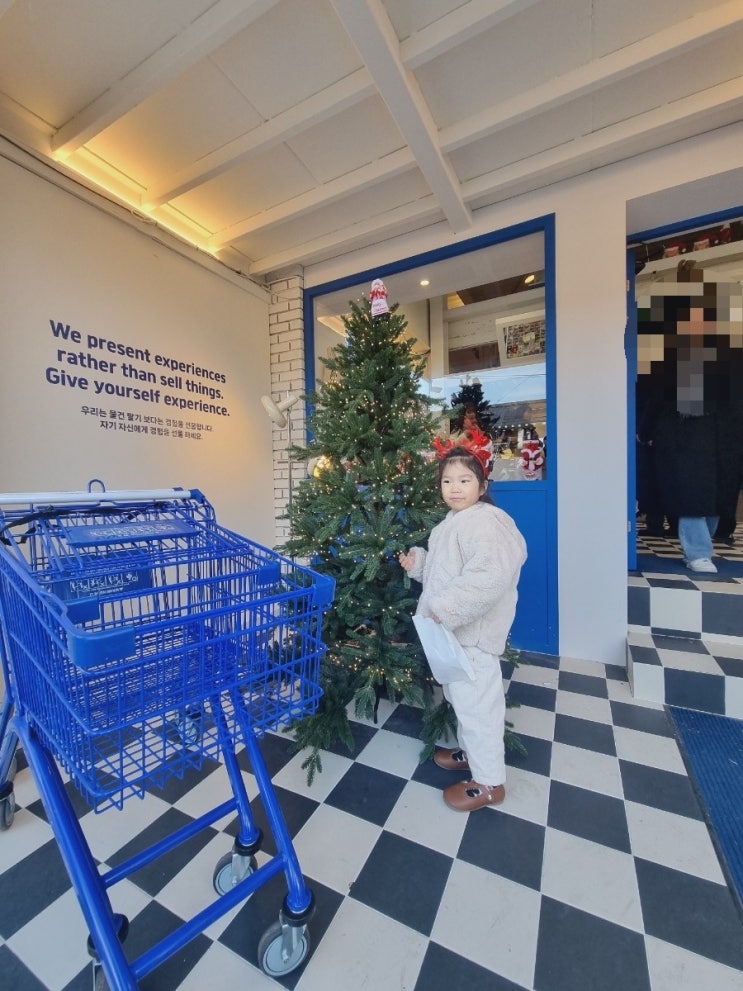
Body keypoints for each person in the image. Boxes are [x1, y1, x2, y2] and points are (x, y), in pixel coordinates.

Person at [398, 429, 527, 812]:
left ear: (482, 485)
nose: (454, 488)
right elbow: (445, 571)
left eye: (465, 480)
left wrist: (447, 607)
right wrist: (419, 564)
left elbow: (487, 578)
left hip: (473, 637)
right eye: (447, 481)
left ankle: (489, 782)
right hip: (453, 635)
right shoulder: (454, 521)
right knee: (461, 699)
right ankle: (473, 754)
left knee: (479, 707)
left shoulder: (485, 524)